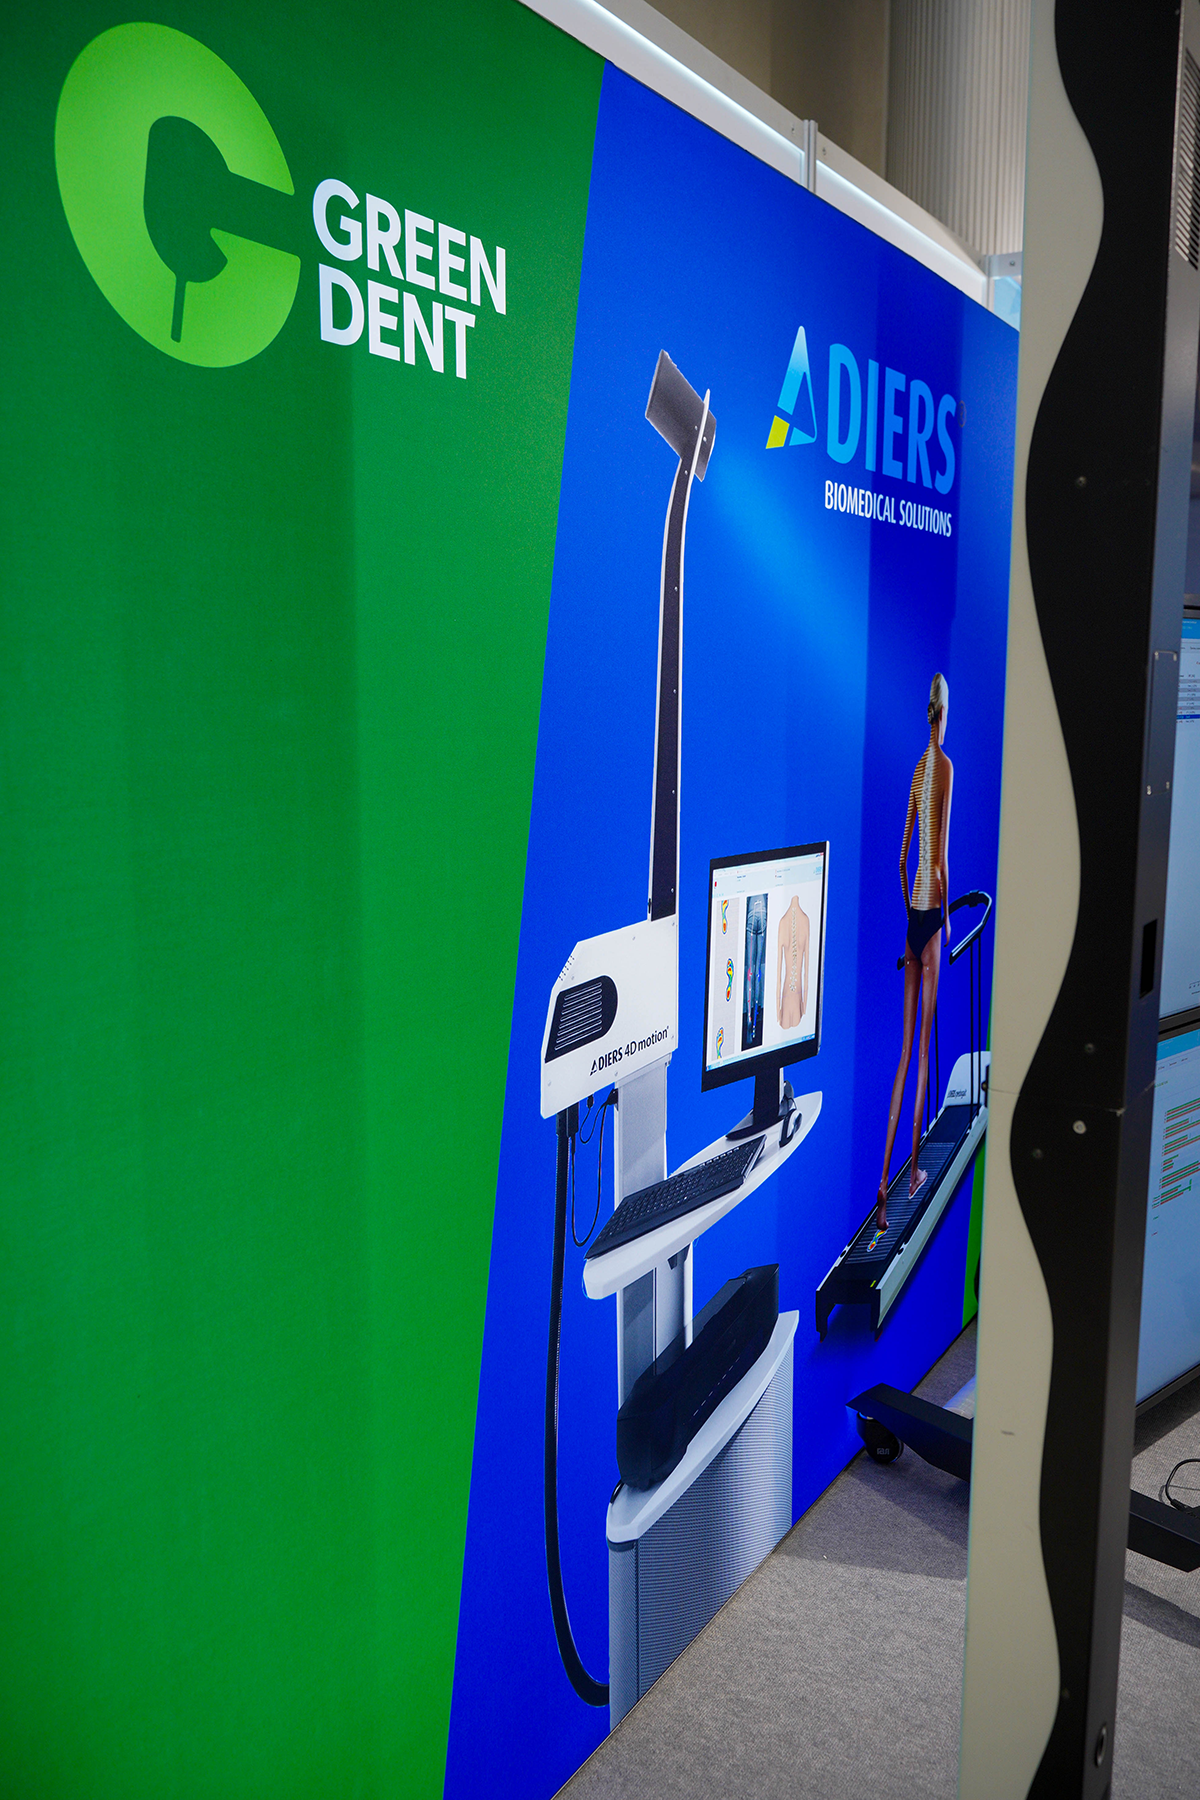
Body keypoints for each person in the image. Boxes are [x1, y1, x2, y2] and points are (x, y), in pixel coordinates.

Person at [875, 673, 953, 1234]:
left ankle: (883, 1182)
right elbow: (940, 861)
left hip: (910, 920)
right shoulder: (944, 767)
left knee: (903, 1054)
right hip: (931, 916)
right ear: (942, 715)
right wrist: (944, 920)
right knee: (924, 1050)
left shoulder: (916, 770)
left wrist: (911, 913)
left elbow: (902, 859)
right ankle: (915, 1170)